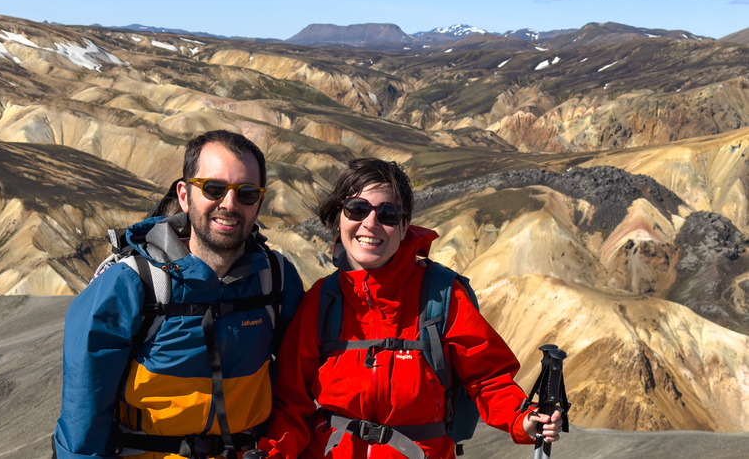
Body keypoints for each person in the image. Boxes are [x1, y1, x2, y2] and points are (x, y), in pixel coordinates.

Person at [256, 158, 562, 459]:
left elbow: (487, 378)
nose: (370, 223)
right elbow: (292, 403)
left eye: (388, 214)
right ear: (339, 217)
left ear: (404, 227)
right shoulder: (322, 301)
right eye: (356, 209)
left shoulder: (442, 295)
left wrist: (522, 420)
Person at [53, 130, 304, 459]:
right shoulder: (131, 285)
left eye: (246, 194)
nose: (230, 204)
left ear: (259, 204)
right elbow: (82, 420)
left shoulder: (277, 280)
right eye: (214, 189)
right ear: (184, 195)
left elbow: (296, 391)